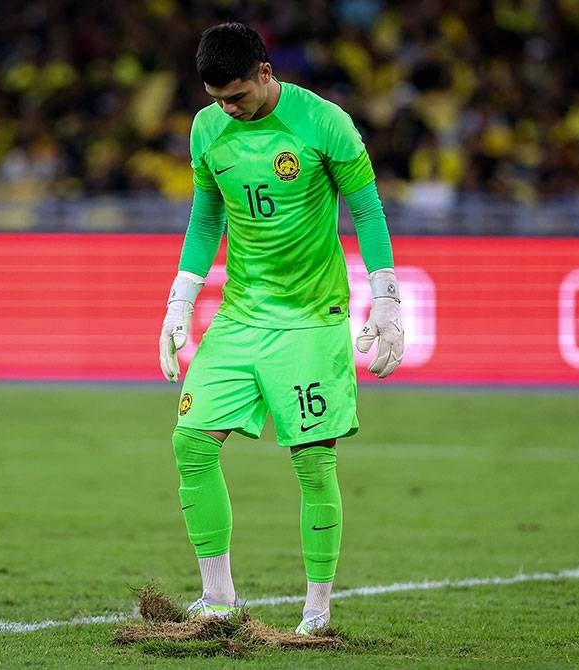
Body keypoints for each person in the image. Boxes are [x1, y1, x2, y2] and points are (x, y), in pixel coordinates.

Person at [158, 22, 404, 636]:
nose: (228, 109)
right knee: (190, 443)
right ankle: (218, 600)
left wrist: (387, 300)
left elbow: (368, 210)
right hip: (241, 315)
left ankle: (316, 612)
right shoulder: (207, 128)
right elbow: (206, 213)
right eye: (217, 100)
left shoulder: (325, 123)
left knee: (313, 461)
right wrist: (180, 301)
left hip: (310, 319)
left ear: (266, 74)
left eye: (237, 96)